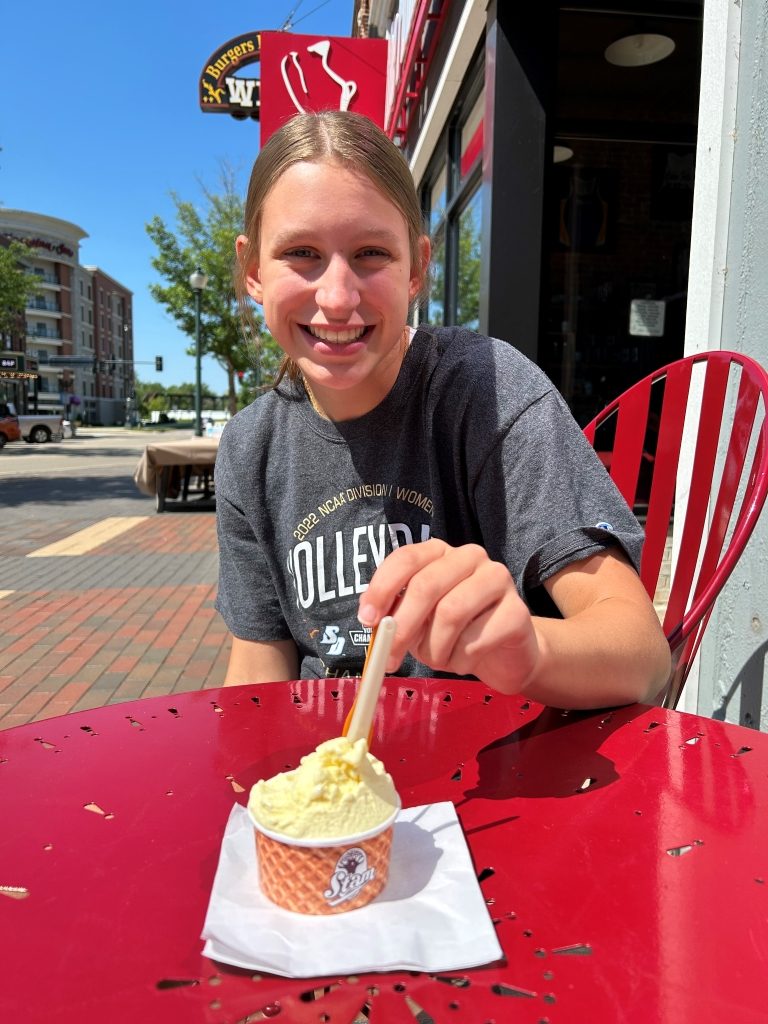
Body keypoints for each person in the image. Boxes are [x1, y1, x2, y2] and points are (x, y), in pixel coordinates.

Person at [215, 109, 670, 709]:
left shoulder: (485, 390)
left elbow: (641, 654)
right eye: (301, 252)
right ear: (253, 271)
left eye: (372, 253)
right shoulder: (251, 448)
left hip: (505, 780)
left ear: (418, 269)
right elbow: (258, 664)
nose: (337, 296)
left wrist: (526, 650)